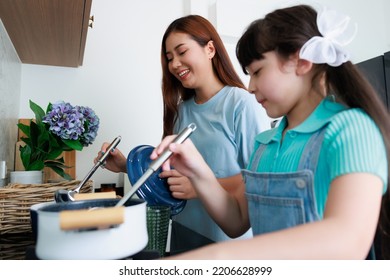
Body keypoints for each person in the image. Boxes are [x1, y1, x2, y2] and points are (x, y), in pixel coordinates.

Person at [151, 4, 390, 259]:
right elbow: (237, 221)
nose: (250, 86)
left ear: (301, 61)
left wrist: (218, 258)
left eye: (257, 71)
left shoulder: (351, 129)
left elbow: (347, 242)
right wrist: (198, 170)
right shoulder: (265, 144)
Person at [96, 15, 270, 250]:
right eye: (169, 58)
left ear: (210, 49)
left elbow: (259, 180)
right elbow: (171, 175)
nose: (175, 64)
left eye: (181, 51)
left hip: (226, 242)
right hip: (182, 231)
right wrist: (126, 165)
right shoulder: (180, 111)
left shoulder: (241, 103)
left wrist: (198, 185)